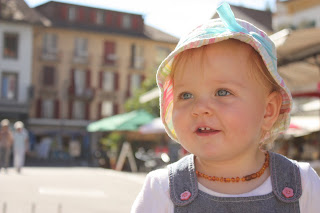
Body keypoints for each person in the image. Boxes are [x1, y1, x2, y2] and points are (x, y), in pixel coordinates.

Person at [131, 3, 320, 212]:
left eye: (222, 92)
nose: (200, 108)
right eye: (186, 95)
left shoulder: (302, 183)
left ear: (268, 111)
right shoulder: (162, 189)